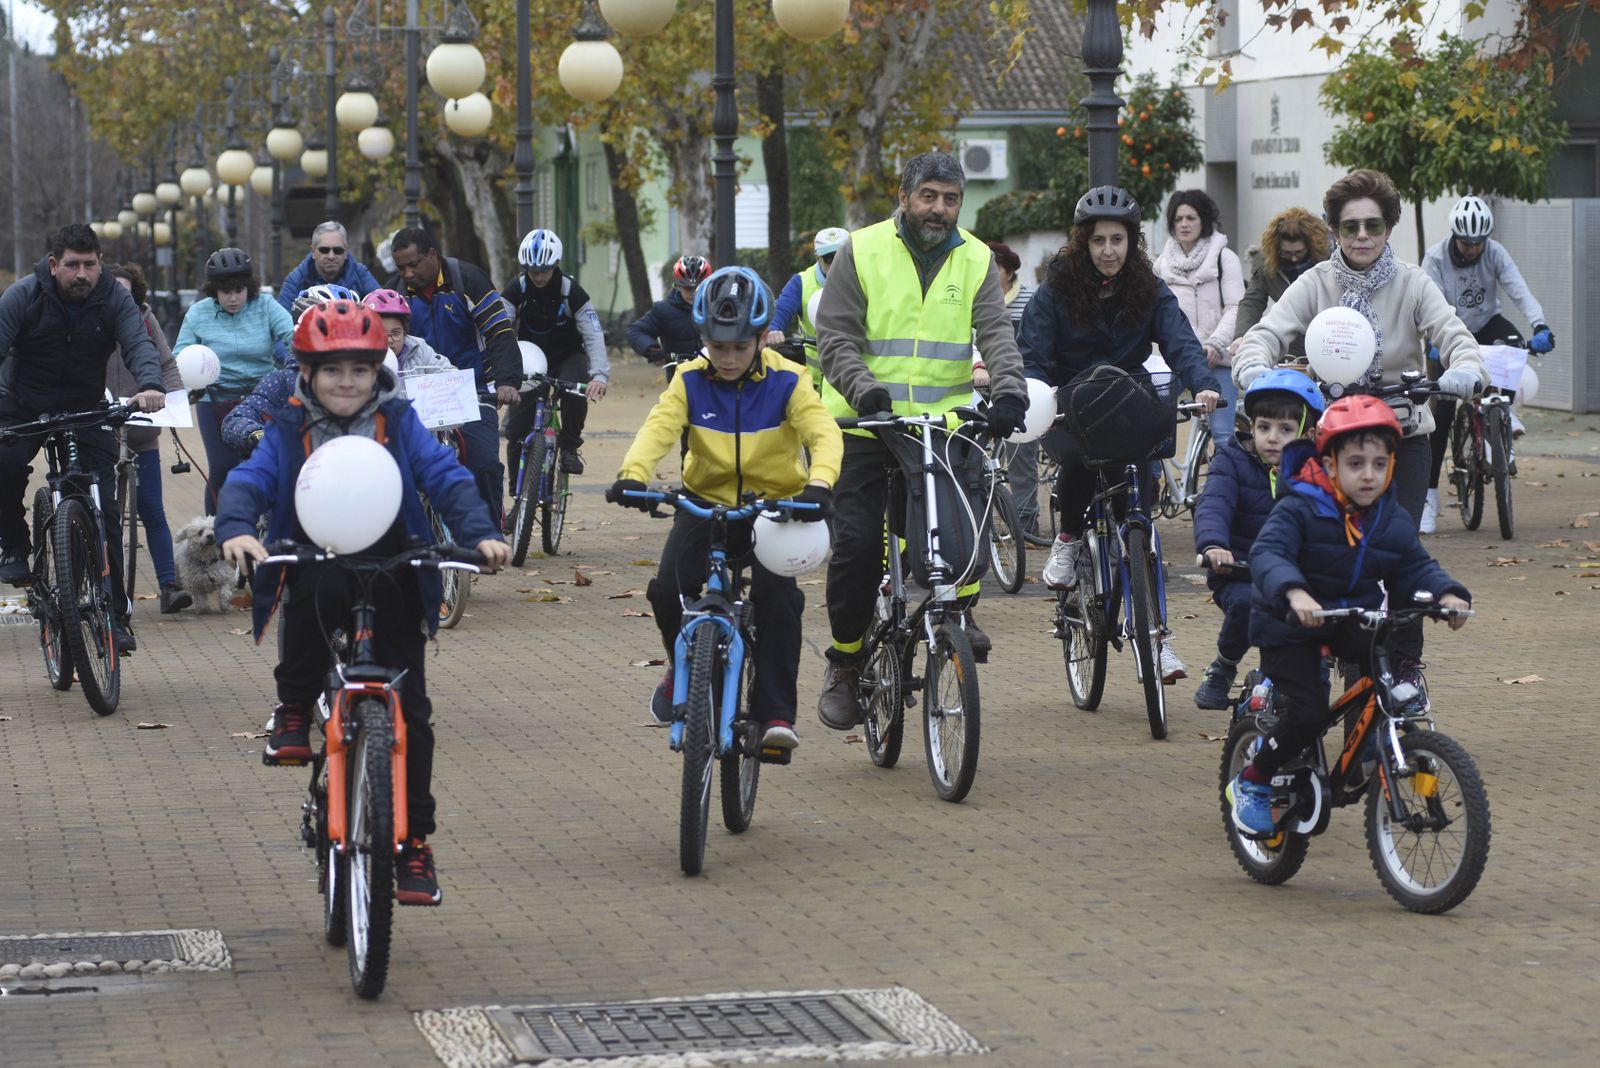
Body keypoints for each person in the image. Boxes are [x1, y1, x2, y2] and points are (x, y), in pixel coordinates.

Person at [216, 301, 510, 906]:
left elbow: (444, 476)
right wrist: (236, 526)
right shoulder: (289, 424)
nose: (346, 382)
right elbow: (252, 477)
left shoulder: (399, 421)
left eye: (359, 369)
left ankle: (415, 844)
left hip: (395, 560)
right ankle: (295, 706)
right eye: (331, 371)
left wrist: (479, 531)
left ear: (379, 371)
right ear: (307, 374)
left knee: (415, 713)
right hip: (318, 552)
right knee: (309, 590)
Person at [1232, 169, 1484, 682]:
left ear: (1389, 226)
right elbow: (1263, 335)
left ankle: (1405, 670)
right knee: (1314, 550)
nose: (1362, 237)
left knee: (1396, 552)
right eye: (1350, 228)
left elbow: (1456, 338)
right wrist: (1257, 372)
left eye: (1373, 225)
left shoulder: (1414, 283)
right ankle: (1288, 669)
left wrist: (1465, 372)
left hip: (1401, 440)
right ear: (1335, 232)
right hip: (1331, 444)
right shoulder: (1315, 283)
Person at [813, 150, 1029, 730]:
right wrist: (865, 391)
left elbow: (997, 336)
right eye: (929, 196)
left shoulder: (977, 258)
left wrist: (1010, 393)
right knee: (857, 548)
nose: (939, 209)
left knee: (958, 534)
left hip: (940, 428)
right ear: (905, 196)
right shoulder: (862, 250)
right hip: (866, 425)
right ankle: (847, 662)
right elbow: (834, 337)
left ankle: (954, 612)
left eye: (951, 199)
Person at [606, 266, 842, 751]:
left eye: (740, 347)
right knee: (666, 587)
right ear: (703, 339)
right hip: (704, 504)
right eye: (717, 346)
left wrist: (819, 485)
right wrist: (633, 475)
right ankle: (685, 665)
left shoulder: (790, 380)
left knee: (779, 602)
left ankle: (775, 713)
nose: (728, 358)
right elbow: (659, 428)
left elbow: (824, 433)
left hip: (775, 509)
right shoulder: (689, 379)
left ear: (761, 338)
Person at [1225, 396, 1471, 835]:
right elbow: (1269, 552)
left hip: (1345, 614)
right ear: (1331, 464)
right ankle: (1254, 779)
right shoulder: (1301, 505)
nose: (1368, 475)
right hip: (1287, 621)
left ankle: (1384, 751)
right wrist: (1294, 592)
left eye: (1380, 463)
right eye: (1356, 463)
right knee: (1308, 713)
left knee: (1390, 683)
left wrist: (1447, 593)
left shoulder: (1387, 518)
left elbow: (1413, 564)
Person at [1020, 185, 1221, 683]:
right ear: (1082, 243)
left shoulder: (1149, 289)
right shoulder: (1056, 290)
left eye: (1118, 240)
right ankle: (1067, 538)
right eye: (1098, 241)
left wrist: (1203, 384)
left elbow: (1180, 342)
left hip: (1129, 400)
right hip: (1072, 401)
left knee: (1140, 516)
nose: (1108, 250)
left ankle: (1158, 637)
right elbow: (1034, 353)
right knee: (1078, 466)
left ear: (1132, 243)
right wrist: (1034, 391)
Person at [0, 224, 166, 651]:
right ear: (54, 265)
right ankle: (15, 546)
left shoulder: (114, 296)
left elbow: (138, 343)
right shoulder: (24, 295)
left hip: (87, 407)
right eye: (72, 265)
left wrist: (150, 384)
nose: (81, 274)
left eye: (89, 265)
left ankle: (113, 614)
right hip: (24, 402)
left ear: (99, 264)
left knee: (103, 506)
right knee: (3, 462)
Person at [1191, 368, 1324, 709]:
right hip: (1241, 569)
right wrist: (1213, 545)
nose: (1272, 438)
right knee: (1247, 604)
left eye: (1285, 430)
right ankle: (1224, 664)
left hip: (1301, 575)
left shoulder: (1319, 470)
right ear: (1251, 428)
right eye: (1263, 427)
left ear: (1308, 434)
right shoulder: (1233, 461)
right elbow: (1215, 503)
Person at [1419, 195, 1553, 532]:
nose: (1473, 250)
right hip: (1447, 328)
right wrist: (1436, 343)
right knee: (1444, 412)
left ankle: (1500, 419)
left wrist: (1539, 325)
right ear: (1455, 237)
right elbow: (1428, 305)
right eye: (1466, 243)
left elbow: (1517, 289)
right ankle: (1429, 498)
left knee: (1510, 347)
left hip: (1486, 321)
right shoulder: (1434, 259)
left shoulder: (1494, 252)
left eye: (1479, 243)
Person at [390, 226, 522, 525]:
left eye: (413, 264)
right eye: (401, 268)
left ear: (432, 255)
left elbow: (500, 332)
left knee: (484, 463)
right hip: (418, 393)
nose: (407, 273)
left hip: (472, 389)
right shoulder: (396, 293)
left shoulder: (468, 279)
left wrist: (506, 382)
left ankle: (489, 531)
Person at [174, 248, 296, 515]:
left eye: (239, 290)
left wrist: (299, 364)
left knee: (269, 461)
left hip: (263, 396)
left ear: (248, 288)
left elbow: (293, 337)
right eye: (225, 291)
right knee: (221, 468)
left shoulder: (265, 306)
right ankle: (214, 534)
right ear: (214, 290)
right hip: (215, 397)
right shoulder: (198, 313)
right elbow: (180, 355)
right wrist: (186, 385)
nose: (232, 298)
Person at [105, 264, 191, 614]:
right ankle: (106, 589)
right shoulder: (93, 321)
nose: (121, 299)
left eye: (127, 293)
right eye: (114, 292)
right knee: (103, 511)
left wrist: (173, 397)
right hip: (99, 426)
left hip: (141, 427)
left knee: (153, 509)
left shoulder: (144, 319)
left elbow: (167, 364)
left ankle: (169, 586)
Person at [501, 228, 609, 479]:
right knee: (516, 430)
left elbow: (593, 334)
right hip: (530, 358)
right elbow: (499, 330)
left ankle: (570, 447)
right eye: (533, 271)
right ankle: (518, 499)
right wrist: (497, 368)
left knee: (575, 389)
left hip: (567, 356)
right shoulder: (516, 289)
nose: (538, 277)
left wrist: (599, 376)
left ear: (556, 265)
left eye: (544, 271)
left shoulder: (572, 291)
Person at [1152, 189, 1244, 445]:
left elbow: (1236, 307)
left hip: (1220, 359)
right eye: (1178, 219)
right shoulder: (1161, 265)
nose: (1184, 224)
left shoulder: (1225, 258)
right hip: (1178, 361)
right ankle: (1154, 482)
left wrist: (1215, 343)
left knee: (1223, 436)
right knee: (1150, 427)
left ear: (1203, 219)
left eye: (1190, 217)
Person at [983, 240, 1040, 536]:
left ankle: (1025, 522)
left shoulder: (1029, 301)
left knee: (1021, 448)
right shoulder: (972, 298)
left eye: (994, 267)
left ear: (1007, 271)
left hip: (1017, 384)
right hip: (977, 385)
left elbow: (1031, 348)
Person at [1230, 207, 1331, 358]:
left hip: (1326, 343)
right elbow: (1252, 302)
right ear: (1276, 249)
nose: (1294, 259)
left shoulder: (1327, 262)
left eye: (1299, 252)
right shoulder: (1265, 265)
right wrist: (1241, 335)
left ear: (1311, 246)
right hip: (1288, 348)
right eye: (1287, 253)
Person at [763, 226, 849, 387]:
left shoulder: (863, 280)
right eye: (829, 258)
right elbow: (781, 310)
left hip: (852, 380)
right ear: (817, 257)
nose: (836, 264)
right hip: (813, 385)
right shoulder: (800, 283)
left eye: (841, 257)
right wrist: (773, 330)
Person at [273, 221, 380, 312]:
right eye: (324, 250)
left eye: (338, 250)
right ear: (313, 251)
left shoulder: (361, 275)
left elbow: (382, 309)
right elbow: (283, 327)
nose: (331, 256)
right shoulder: (295, 281)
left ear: (346, 251)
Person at [628, 255, 711, 371]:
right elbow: (635, 332)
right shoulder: (663, 310)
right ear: (677, 285)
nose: (693, 293)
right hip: (680, 379)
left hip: (713, 378)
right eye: (687, 288)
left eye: (698, 287)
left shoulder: (717, 309)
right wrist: (652, 350)